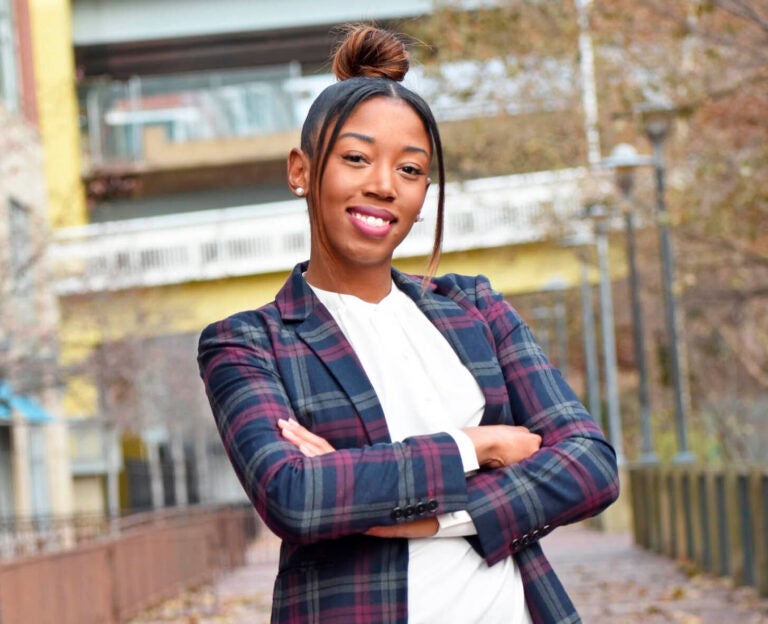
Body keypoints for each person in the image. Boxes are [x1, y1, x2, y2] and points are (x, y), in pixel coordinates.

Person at [198, 24, 619, 624]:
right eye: (356, 158)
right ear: (300, 170)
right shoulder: (247, 343)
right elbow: (296, 497)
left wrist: (427, 513)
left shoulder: (476, 308)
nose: (383, 186)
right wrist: (480, 444)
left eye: (411, 170)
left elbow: (591, 465)